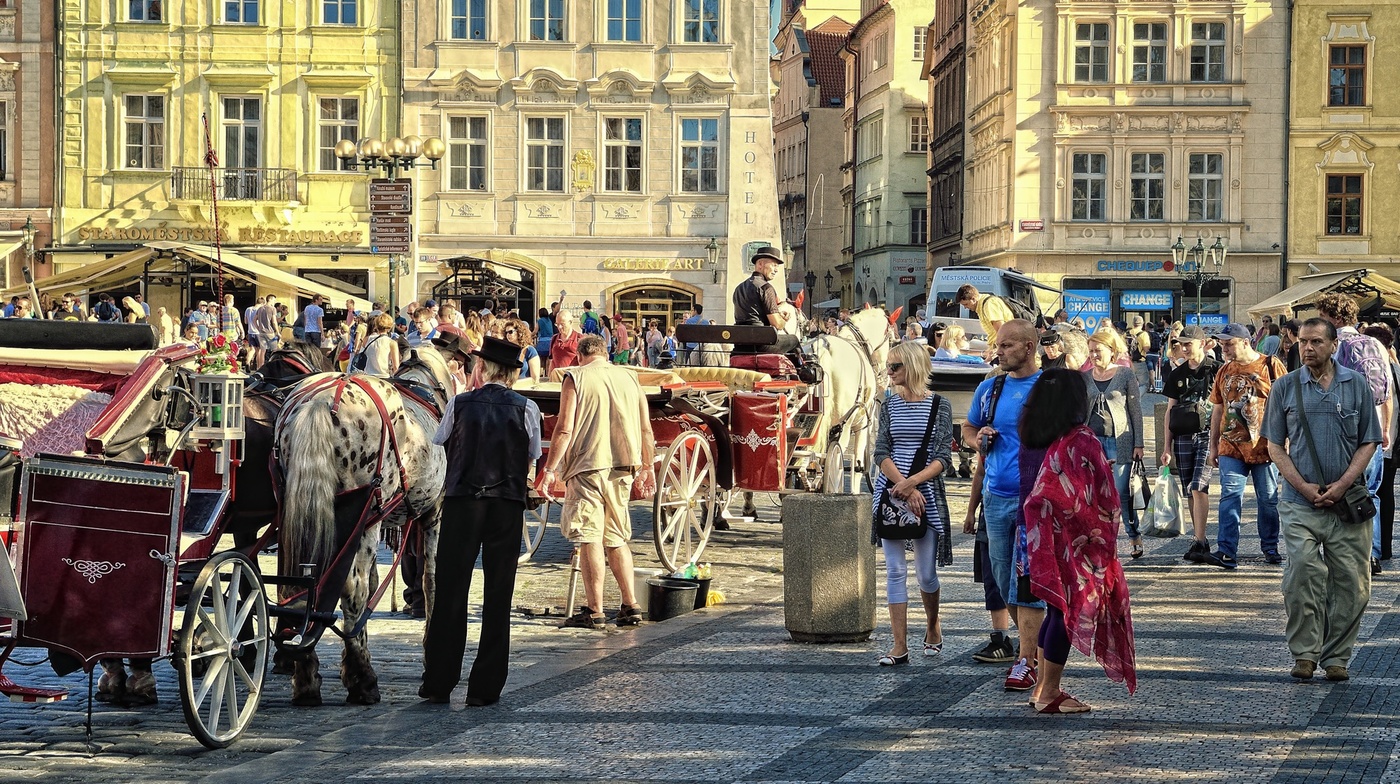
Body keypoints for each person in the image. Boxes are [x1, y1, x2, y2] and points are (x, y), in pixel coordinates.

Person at [420, 336, 541, 706]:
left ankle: (439, 681)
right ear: (512, 374)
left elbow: (439, 440)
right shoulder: (527, 407)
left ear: (483, 368)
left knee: (451, 592)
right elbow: (532, 453)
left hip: (462, 501)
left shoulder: (459, 403)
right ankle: (485, 687)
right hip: (505, 503)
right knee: (498, 594)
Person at [1262, 318, 1380, 681]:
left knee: (1353, 584)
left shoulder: (1355, 384)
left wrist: (1343, 484)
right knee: (1302, 575)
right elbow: (1274, 446)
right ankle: (1304, 654)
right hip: (1301, 504)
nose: (1307, 348)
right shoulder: (1285, 387)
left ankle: (1336, 658)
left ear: (1333, 346)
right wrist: (1302, 486)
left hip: (1347, 505)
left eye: (1315, 342)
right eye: (1302, 342)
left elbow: (1369, 441)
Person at [1022, 368, 1137, 713]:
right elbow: (1099, 499)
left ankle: (1042, 687)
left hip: (1050, 541)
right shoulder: (1083, 439)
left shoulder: (1056, 439)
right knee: (1068, 612)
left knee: (1056, 610)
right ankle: (1049, 694)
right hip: (1078, 543)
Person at [537, 335, 656, 629]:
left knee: (589, 534)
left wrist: (550, 469)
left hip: (588, 464)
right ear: (606, 354)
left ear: (579, 356)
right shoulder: (631, 377)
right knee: (616, 537)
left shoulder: (575, 377)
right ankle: (631, 605)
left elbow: (564, 430)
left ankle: (595, 610)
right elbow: (646, 429)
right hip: (624, 465)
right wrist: (649, 467)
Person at [962, 319, 1044, 692]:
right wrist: (977, 437)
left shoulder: (1049, 388)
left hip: (1037, 500)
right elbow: (967, 429)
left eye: (1007, 345)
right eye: (998, 345)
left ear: (1029, 347)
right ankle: (1035, 649)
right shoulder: (989, 387)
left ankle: (1028, 659)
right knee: (1002, 579)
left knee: (1028, 583)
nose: (999, 352)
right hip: (997, 497)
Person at [871, 342, 954, 665]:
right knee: (894, 570)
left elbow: (943, 457)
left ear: (913, 367)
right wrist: (900, 485)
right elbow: (881, 451)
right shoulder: (888, 405)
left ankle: (933, 626)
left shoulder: (939, 405)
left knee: (925, 574)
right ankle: (899, 644)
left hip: (926, 493)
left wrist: (913, 483)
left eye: (895, 367)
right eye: (888, 367)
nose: (889, 372)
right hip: (891, 492)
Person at [1315, 292, 1393, 575]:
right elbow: (1387, 393)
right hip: (1372, 427)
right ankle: (1371, 554)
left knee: (1338, 490)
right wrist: (1385, 429)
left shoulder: (1332, 345)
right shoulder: (1375, 343)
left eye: (1322, 317)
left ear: (1332, 318)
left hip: (1342, 430)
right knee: (1370, 492)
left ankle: (1345, 555)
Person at [1206, 324, 1288, 567]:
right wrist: (1213, 445)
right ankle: (1227, 550)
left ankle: (1270, 548)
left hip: (1266, 446)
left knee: (1268, 500)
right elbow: (1217, 408)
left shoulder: (1270, 365)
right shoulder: (1224, 370)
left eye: (1228, 343)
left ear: (1244, 342)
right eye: (1222, 344)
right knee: (1230, 496)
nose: (1224, 348)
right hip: (1231, 447)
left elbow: (1288, 404)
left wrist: (1287, 442)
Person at [1161, 325, 1224, 567]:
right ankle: (1198, 539)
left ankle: (1200, 540)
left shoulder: (1216, 369)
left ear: (1202, 343)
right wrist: (1166, 447)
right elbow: (1169, 411)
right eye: (1181, 344)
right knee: (1189, 488)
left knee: (1199, 485)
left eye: (1189, 344)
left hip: (1208, 434)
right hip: (1183, 436)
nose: (1184, 348)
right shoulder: (1176, 374)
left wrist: (1221, 438)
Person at [1082, 330, 1146, 559]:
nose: (1093, 355)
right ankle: (1101, 540)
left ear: (1111, 351)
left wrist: (1139, 443)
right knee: (1094, 493)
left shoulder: (1125, 375)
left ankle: (1133, 534)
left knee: (1121, 492)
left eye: (1098, 350)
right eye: (1090, 351)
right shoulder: (1085, 377)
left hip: (1120, 442)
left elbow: (1136, 411)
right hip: (1092, 442)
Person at [732, 246, 800, 355]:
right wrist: (783, 320)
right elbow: (777, 324)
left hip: (741, 345)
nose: (776, 270)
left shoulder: (739, 288)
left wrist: (778, 314)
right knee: (794, 340)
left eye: (777, 266)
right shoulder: (765, 288)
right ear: (760, 264)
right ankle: (799, 371)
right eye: (774, 265)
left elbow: (751, 315)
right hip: (761, 343)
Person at [955, 284, 1014, 360]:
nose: (965, 307)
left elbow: (1002, 330)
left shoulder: (989, 304)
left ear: (973, 299)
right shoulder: (982, 306)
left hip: (1004, 350)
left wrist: (997, 351)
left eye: (966, 304)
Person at [254, 295, 282, 365]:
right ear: (270, 299)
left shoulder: (260, 309)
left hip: (261, 332)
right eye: (274, 300)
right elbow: (274, 321)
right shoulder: (272, 309)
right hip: (270, 332)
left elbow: (254, 320)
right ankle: (274, 366)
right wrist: (278, 332)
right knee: (275, 350)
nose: (274, 301)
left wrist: (258, 328)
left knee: (262, 351)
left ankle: (260, 367)